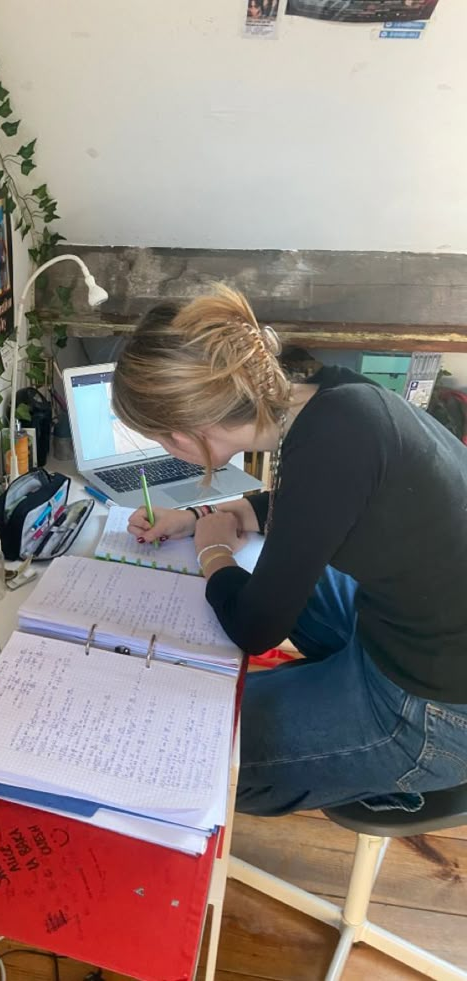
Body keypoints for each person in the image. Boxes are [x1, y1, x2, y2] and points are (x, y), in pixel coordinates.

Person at [112, 285, 467, 817]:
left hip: (435, 707)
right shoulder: (330, 398)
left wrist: (214, 555)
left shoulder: (330, 441)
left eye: (161, 440)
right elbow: (314, 503)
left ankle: (375, 767)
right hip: (406, 628)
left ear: (185, 433)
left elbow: (257, 629)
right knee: (290, 573)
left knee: (190, 748)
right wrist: (200, 516)